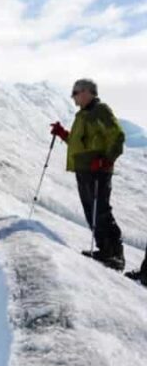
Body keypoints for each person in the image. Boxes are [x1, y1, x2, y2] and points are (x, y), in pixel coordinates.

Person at [50, 79, 126, 271]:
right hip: (84, 169)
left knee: (101, 209)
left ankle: (115, 254)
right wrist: (62, 134)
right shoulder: (83, 115)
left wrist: (106, 160)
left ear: (87, 92)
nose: (73, 97)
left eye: (75, 92)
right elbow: (79, 143)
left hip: (97, 170)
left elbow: (117, 136)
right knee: (90, 210)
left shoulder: (100, 111)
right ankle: (104, 249)